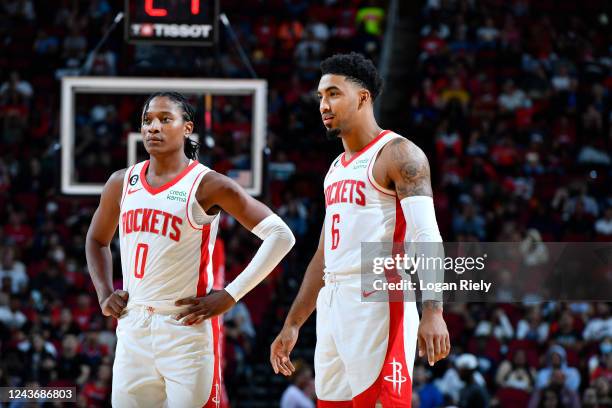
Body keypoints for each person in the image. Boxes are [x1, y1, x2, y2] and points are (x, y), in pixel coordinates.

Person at [86, 92, 295, 407]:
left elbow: (281, 235)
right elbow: (96, 240)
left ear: (187, 128)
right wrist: (104, 292)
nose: (153, 127)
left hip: (185, 329)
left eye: (165, 119)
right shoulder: (121, 182)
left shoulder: (208, 184)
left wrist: (231, 294)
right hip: (134, 326)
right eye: (147, 120)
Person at [270, 53, 450, 407]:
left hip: (379, 295)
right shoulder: (335, 169)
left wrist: (434, 311)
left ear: (363, 97)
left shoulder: (398, 154)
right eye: (321, 96)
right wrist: (293, 323)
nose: (324, 104)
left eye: (333, 94)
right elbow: (323, 257)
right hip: (334, 302)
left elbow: (428, 235)